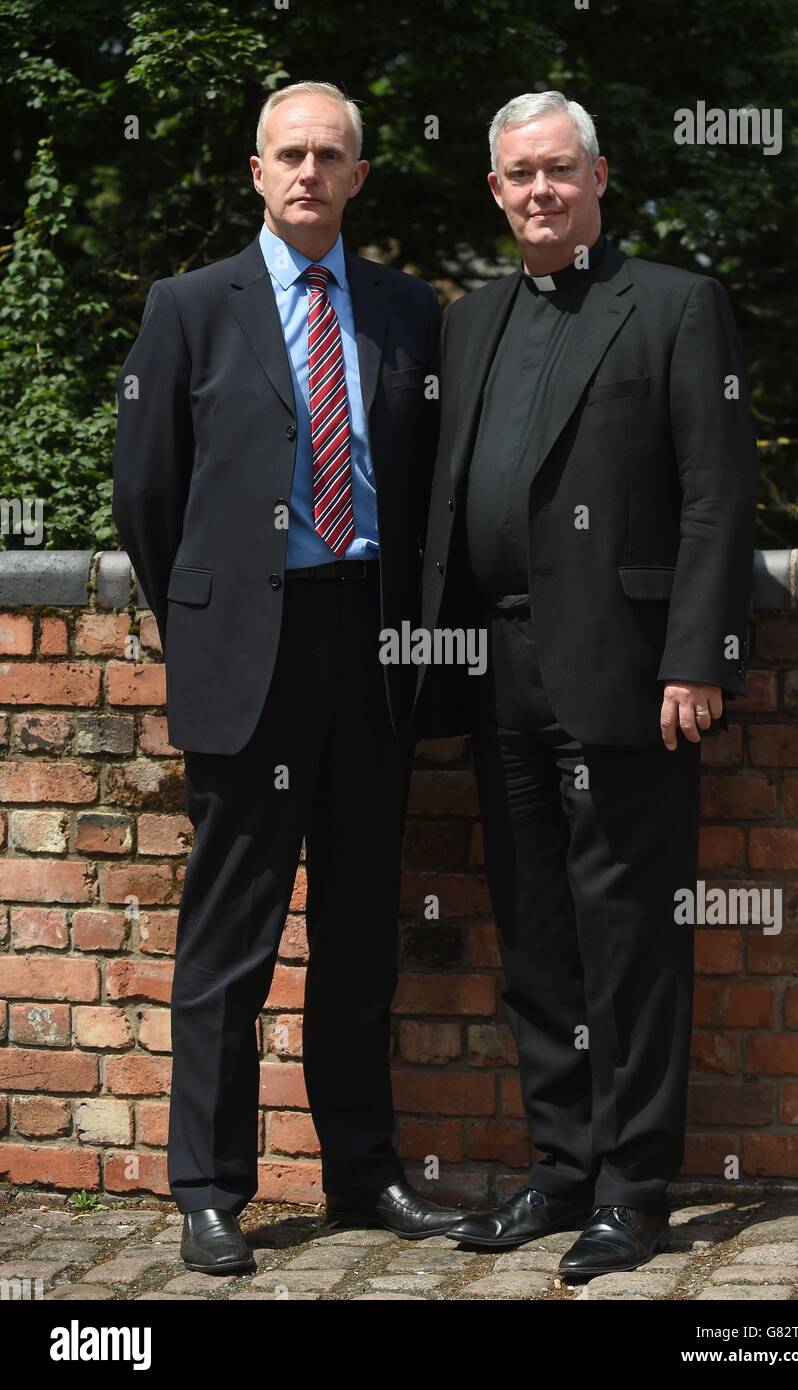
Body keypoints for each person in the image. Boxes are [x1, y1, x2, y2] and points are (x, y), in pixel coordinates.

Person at [112, 80, 463, 1274]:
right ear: (255, 174)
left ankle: (363, 1173)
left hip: (369, 648)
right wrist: (212, 623)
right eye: (287, 155)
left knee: (360, 932)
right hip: (248, 659)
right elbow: (147, 497)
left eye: (329, 156)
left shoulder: (409, 311)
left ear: (359, 177)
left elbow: (429, 497)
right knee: (232, 939)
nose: (308, 172)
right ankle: (210, 1187)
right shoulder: (189, 307)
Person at [413, 90, 757, 1279]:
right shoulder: (468, 323)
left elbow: (716, 493)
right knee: (534, 942)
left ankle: (634, 1187)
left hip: (626, 670)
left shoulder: (672, 305)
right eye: (518, 176)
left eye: (558, 171)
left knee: (630, 942)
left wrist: (694, 655)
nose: (539, 191)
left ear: (599, 176)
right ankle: (559, 1170)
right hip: (492, 667)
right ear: (496, 191)